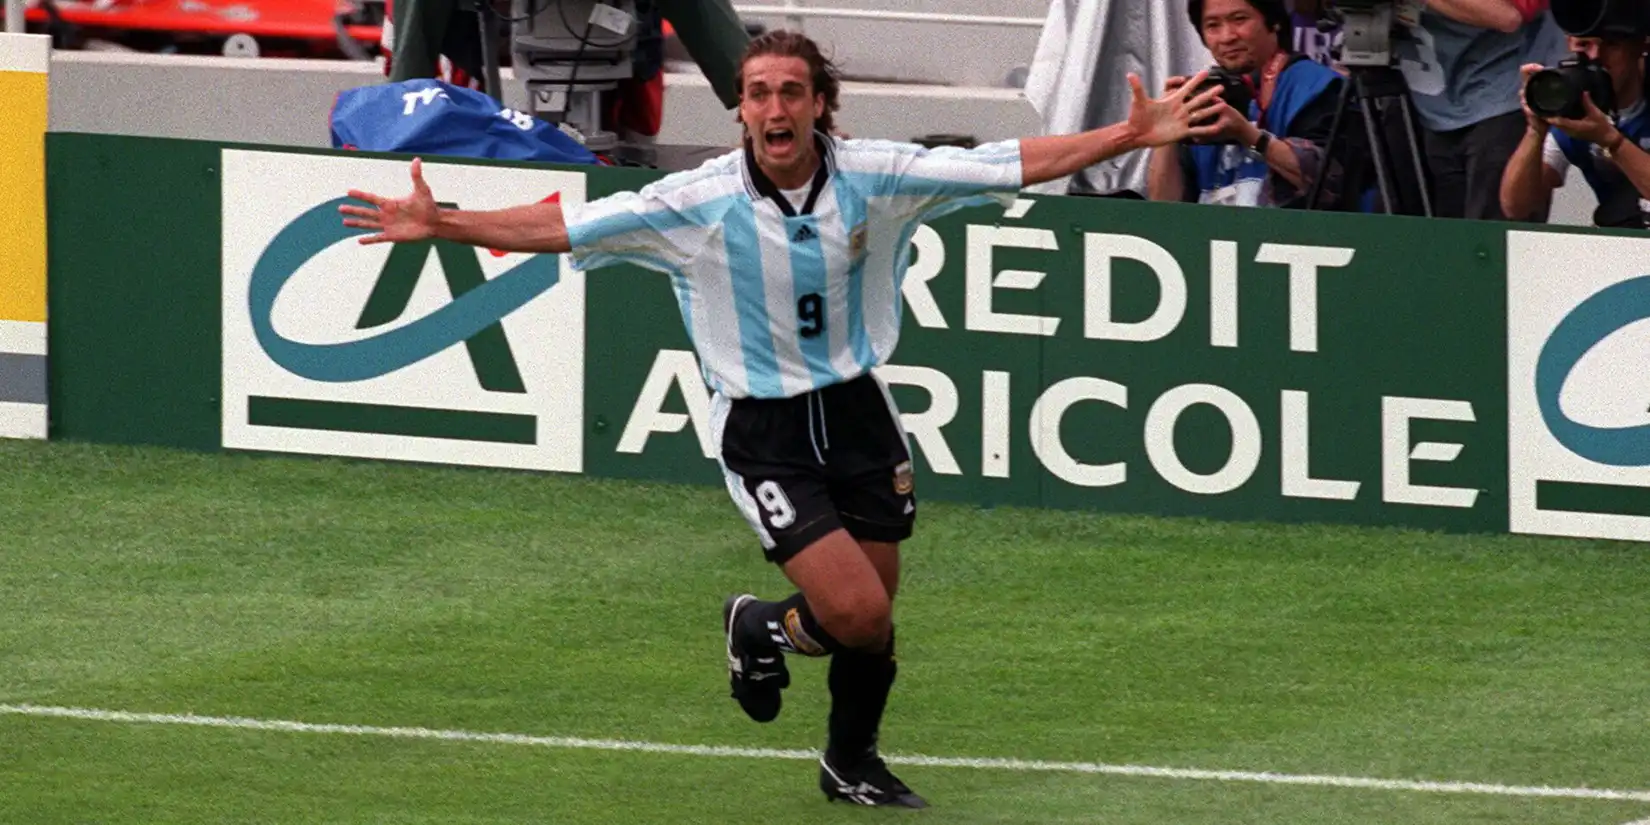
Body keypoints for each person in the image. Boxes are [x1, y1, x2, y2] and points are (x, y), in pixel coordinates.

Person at [338, 29, 1226, 809]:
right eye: (757, 93)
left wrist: (1130, 132)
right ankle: (773, 639)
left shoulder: (878, 175)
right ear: (742, 111)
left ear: (820, 107)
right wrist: (444, 223)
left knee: (872, 619)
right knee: (858, 610)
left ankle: (839, 747)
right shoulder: (697, 201)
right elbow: (568, 226)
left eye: (790, 92)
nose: (772, 107)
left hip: (858, 412)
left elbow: (1009, 163)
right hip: (761, 428)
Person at [1147, 0, 1347, 208]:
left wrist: (1247, 135)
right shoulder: (1203, 94)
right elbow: (1163, 206)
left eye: (1239, 19)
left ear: (1274, 22)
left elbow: (1333, 184)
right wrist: (1165, 135)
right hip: (1213, 239)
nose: (1228, 37)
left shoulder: (1316, 85)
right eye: (1213, 25)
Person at [1394, 0, 1566, 219]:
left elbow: (1507, 16)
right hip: (1423, 102)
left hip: (1505, 95)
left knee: (1494, 242)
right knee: (1437, 243)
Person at [1500, 31, 1650, 227]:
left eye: (1611, 45)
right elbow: (1516, 207)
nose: (1596, 57)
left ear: (1640, 47)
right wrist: (1535, 131)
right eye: (1584, 45)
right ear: (1569, 44)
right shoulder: (1577, 110)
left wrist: (1613, 142)